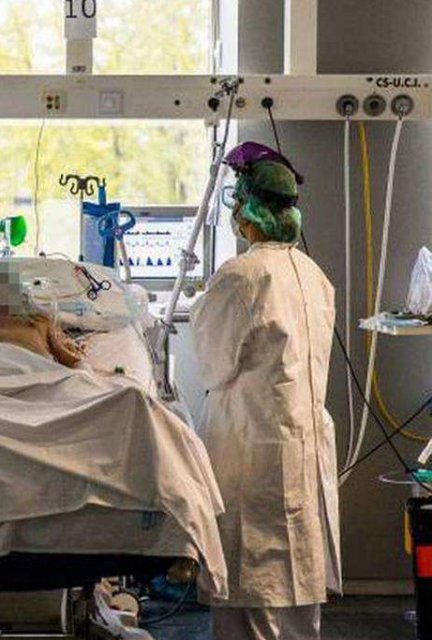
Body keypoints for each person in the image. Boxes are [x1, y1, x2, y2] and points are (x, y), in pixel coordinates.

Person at [192, 142, 339, 640]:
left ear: (248, 211)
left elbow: (212, 366)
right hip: (302, 446)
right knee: (297, 597)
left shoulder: (242, 277)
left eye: (237, 204)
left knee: (252, 595)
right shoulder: (314, 276)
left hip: (253, 451)